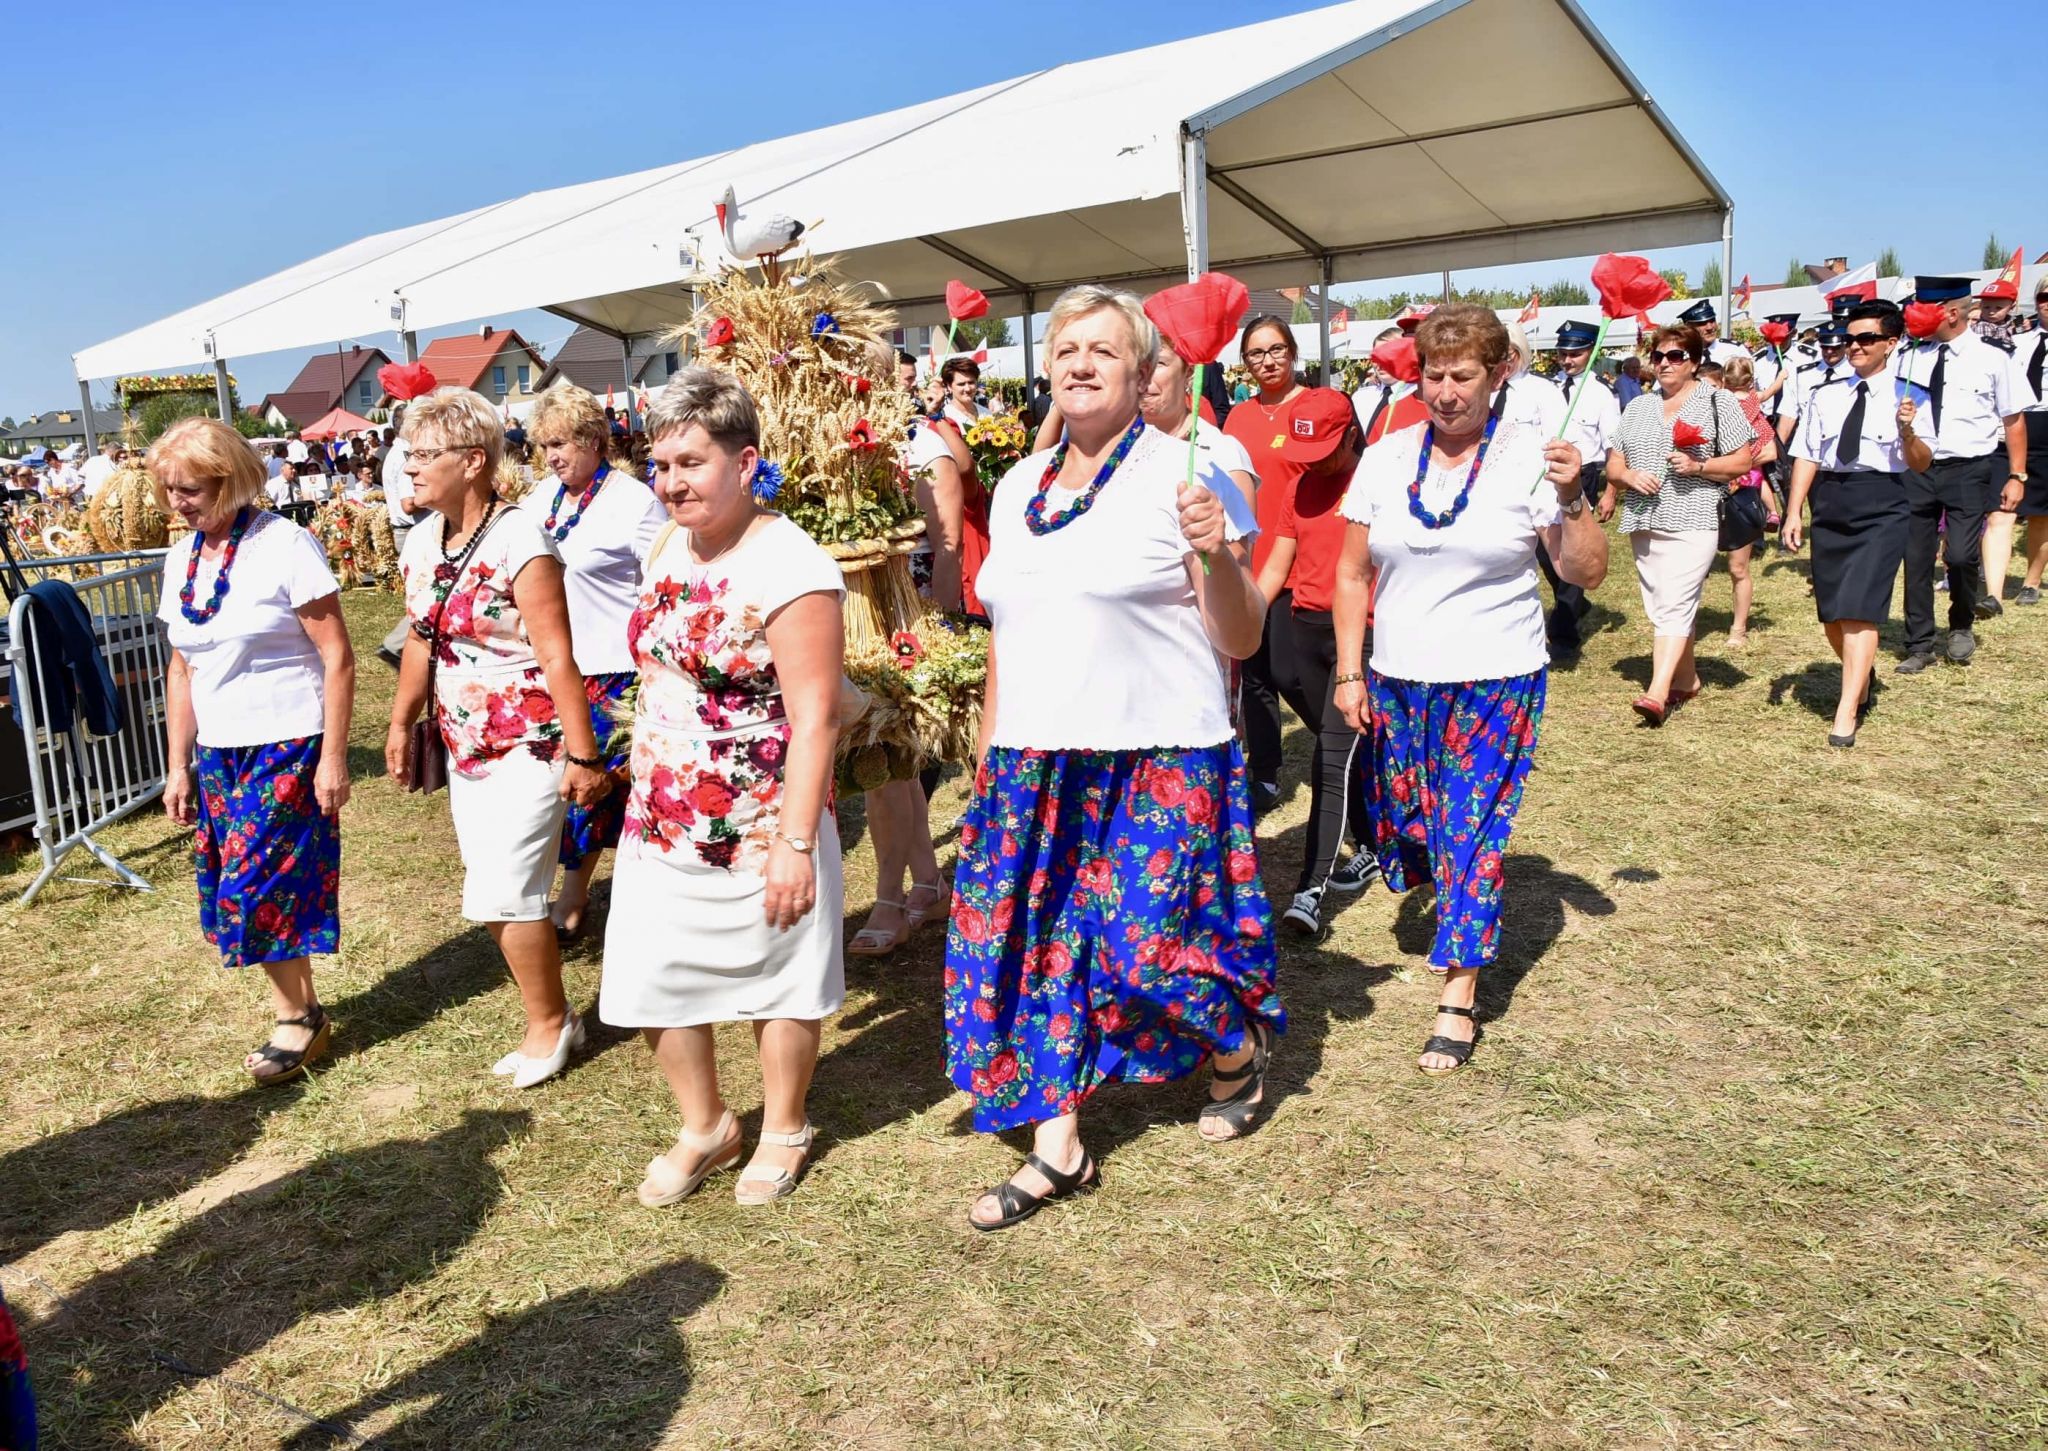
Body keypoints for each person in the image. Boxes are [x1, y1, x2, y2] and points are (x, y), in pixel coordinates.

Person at [946, 284, 1281, 1232]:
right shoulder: (1019, 488)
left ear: (1145, 372)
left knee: (1142, 955)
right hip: (1034, 759)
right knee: (1034, 948)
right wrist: (989, 750)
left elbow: (1243, 639)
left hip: (1160, 752)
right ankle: (1060, 1147)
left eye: (1104, 349)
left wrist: (1219, 555)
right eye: (1066, 347)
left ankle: (1231, 1045)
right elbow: (1006, 632)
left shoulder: (1188, 473)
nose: (1081, 362)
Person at [1330, 303, 1607, 1072]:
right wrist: (1351, 669)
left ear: (1499, 374)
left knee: (1469, 831)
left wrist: (1576, 496)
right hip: (1399, 681)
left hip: (1496, 677)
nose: (1446, 392)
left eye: (1463, 376)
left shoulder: (1535, 458)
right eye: (1433, 375)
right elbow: (1352, 574)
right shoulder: (1387, 457)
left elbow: (1585, 572)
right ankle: (1447, 901)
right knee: (1412, 827)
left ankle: (1459, 993)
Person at [598, 369, 846, 1207]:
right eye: (661, 464)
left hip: (761, 817)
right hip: (662, 814)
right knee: (652, 972)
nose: (671, 482)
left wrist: (795, 841)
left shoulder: (792, 563)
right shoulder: (668, 543)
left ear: (746, 462)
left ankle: (783, 1124)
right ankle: (705, 1124)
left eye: (691, 463)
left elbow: (818, 716)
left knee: (781, 973)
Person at [384, 387, 608, 1089]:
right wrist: (400, 719)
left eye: (425, 454)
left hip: (529, 741)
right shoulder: (423, 540)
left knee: (503, 888)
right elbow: (421, 635)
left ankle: (549, 1023)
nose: (409, 468)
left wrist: (583, 751)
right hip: (465, 744)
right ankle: (552, 1014)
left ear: (473, 460)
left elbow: (555, 651)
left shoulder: (521, 538)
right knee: (491, 891)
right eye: (408, 453)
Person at [149, 417, 354, 1084]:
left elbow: (338, 656)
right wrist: (177, 763)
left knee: (254, 885)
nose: (178, 502)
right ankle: (302, 1010)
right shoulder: (181, 559)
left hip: (286, 742)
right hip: (219, 753)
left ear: (231, 478)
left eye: (191, 488)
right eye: (169, 490)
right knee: (239, 887)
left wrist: (332, 755)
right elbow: (181, 671)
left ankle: (294, 1018)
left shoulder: (285, 544)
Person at [517, 383, 669, 941]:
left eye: (560, 443)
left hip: (615, 668)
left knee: (593, 787)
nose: (552, 456)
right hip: (553, 668)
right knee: (559, 785)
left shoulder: (634, 502)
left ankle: (576, 897)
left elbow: (659, 585)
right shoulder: (540, 501)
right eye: (544, 446)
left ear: (593, 440)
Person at [1251, 388, 1382, 937]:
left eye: (1325, 449)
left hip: (1362, 633)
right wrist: (1243, 628)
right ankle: (1377, 843)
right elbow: (1278, 562)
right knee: (1347, 752)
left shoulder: (1377, 481)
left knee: (1329, 757)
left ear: (1351, 433)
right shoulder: (1302, 484)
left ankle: (1309, 891)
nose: (1314, 463)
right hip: (1303, 630)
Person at [1777, 300, 1929, 747]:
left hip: (1883, 501)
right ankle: (1860, 677)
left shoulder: (1911, 393)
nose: (1855, 346)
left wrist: (1907, 432)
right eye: (1851, 339)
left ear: (1891, 343)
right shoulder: (1826, 393)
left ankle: (1847, 710)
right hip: (1832, 500)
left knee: (1861, 607)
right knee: (1832, 611)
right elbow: (1807, 453)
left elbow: (1921, 463)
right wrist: (1793, 511)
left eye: (1866, 339)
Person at [1599, 324, 1756, 724]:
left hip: (1694, 517)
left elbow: (1743, 462)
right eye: (1659, 356)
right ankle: (1687, 679)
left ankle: (1657, 692)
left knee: (1675, 603)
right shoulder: (1638, 406)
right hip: (1644, 518)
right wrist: (1628, 477)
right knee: (1662, 604)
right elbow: (1614, 463)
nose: (1665, 363)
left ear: (1694, 362)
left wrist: (1699, 465)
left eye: (1676, 356)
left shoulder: (1718, 402)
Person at [1891, 276, 2027, 671]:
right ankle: (1919, 644)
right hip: (1918, 467)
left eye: (1923, 307)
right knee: (1916, 558)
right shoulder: (1910, 356)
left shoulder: (1993, 358)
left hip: (1969, 469)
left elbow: (2014, 419)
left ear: (1950, 312)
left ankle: (1961, 622)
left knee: (1964, 555)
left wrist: (2017, 475)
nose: (1913, 314)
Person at [1221, 313, 1311, 813]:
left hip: (1300, 560)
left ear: (1293, 351)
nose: (1267, 360)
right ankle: (1266, 773)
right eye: (1256, 353)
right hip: (1249, 565)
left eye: (1275, 349)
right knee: (1252, 674)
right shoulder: (1238, 418)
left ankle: (1341, 742)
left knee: (1288, 671)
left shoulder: (1318, 407)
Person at [1540, 319, 1622, 652]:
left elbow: (1613, 445)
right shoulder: (1546, 388)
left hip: (1582, 475)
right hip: (1546, 473)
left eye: (1576, 353)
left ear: (1590, 352)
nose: (1567, 360)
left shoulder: (1601, 393)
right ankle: (1573, 600)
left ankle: (1563, 633)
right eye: (1562, 353)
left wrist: (1610, 492)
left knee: (1572, 543)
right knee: (1547, 552)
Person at [1715, 354, 1780, 647]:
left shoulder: (1754, 411)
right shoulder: (1711, 408)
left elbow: (1771, 450)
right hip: (1709, 491)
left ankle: (1738, 628)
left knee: (1738, 567)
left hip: (1741, 494)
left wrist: (1742, 463)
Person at [2012, 278, 2048, 605]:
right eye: (2043, 296)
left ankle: (2032, 580)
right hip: (2027, 422)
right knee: (2021, 508)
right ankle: (2028, 581)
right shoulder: (2019, 343)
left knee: (2042, 513)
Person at [376, 418, 419, 667]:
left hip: (406, 529)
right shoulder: (404, 457)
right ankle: (396, 645)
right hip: (409, 529)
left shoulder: (399, 453)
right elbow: (408, 503)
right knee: (430, 593)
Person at [1678, 299, 1745, 368]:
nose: (1709, 327)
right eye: (1702, 323)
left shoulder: (1735, 350)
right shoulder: (1680, 355)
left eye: (1712, 321)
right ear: (1689, 327)